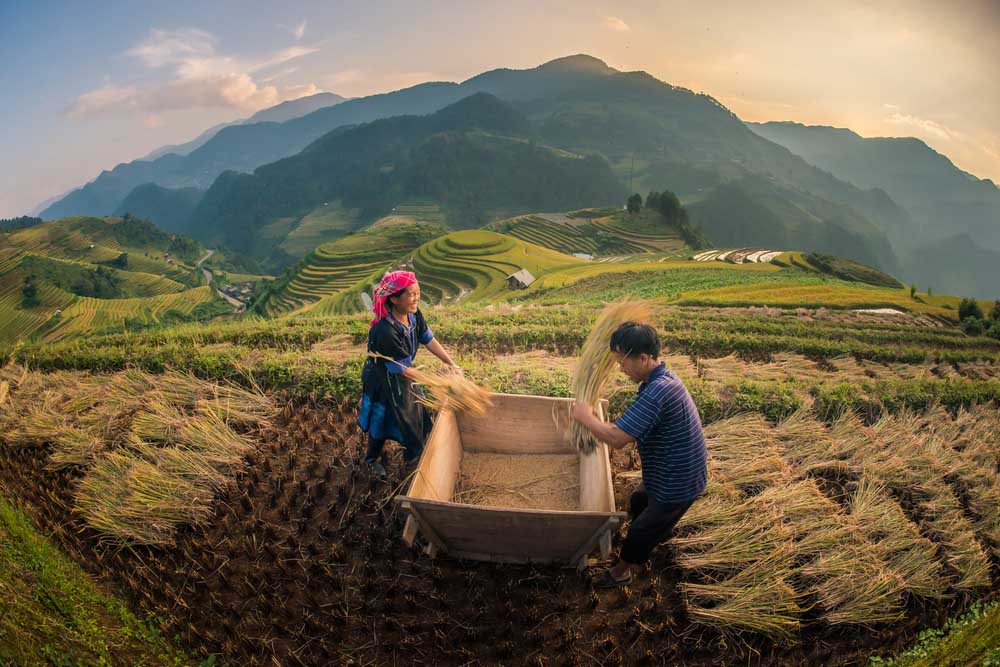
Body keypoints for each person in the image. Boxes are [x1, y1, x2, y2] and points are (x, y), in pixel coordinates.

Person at [571, 322, 707, 588]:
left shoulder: (658, 392)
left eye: (623, 363)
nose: (621, 370)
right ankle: (654, 531)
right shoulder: (659, 380)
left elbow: (617, 439)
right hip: (667, 469)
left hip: (678, 481)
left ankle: (623, 571)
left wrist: (585, 417)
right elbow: (639, 422)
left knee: (640, 532)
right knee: (638, 500)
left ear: (643, 358)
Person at [358, 270, 461, 479]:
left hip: (403, 374)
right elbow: (401, 369)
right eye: (411, 294)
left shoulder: (413, 315)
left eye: (418, 292)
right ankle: (371, 460)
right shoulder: (386, 331)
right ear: (395, 299)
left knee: (417, 412)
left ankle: (412, 453)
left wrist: (451, 363)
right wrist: (437, 381)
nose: (416, 298)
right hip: (382, 379)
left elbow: (428, 339)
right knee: (383, 417)